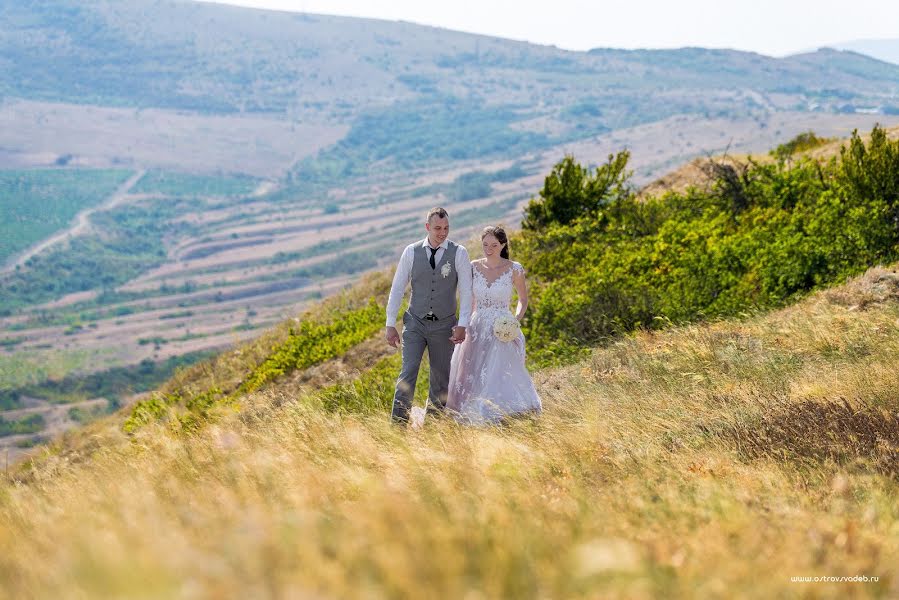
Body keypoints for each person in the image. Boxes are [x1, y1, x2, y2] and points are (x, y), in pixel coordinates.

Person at [385, 207, 473, 424]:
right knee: (408, 373)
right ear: (427, 227)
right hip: (415, 323)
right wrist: (389, 323)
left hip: (444, 326)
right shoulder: (411, 252)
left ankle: (433, 429)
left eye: (446, 228)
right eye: (437, 228)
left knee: (440, 379)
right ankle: (398, 426)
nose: (442, 233)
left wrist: (462, 324)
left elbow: (466, 291)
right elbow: (397, 289)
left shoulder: (459, 253)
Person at [446, 226, 542, 424]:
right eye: (485, 245)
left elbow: (523, 299)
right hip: (477, 325)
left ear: (503, 245)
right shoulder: (473, 266)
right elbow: (469, 300)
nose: (489, 249)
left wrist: (514, 320)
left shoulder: (514, 268)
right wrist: (463, 324)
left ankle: (500, 410)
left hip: (502, 327)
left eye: (494, 245)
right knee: (471, 370)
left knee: (498, 370)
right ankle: (470, 411)